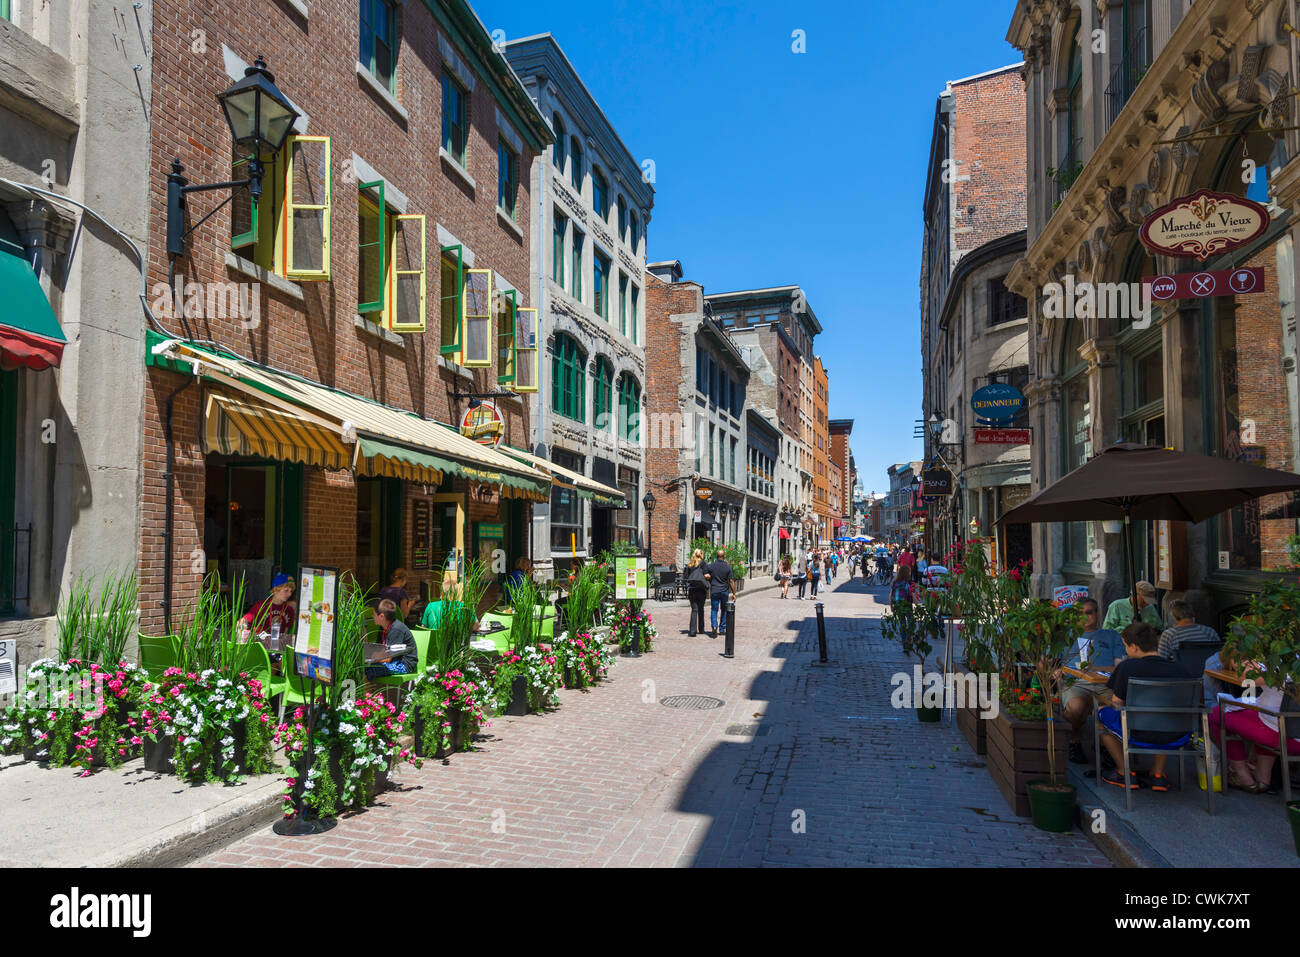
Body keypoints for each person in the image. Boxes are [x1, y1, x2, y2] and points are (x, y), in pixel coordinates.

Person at [1096, 622, 1191, 791]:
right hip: (1177, 733)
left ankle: (1124, 771)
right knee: (1164, 716)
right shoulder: (1180, 668)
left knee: (1101, 716)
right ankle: (1158, 774)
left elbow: (1118, 703)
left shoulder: (1127, 667)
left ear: (1133, 646)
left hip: (1137, 731)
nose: (1125, 650)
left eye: (1125, 646)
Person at [1208, 661, 1300, 793]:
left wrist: (1242, 662)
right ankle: (1263, 775)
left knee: (1217, 714)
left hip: (1282, 736)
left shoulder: (1282, 660)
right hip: (1286, 731)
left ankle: (1242, 775)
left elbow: (1246, 679)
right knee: (1265, 715)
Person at [1058, 598, 1125, 764]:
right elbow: (1049, 662)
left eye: (1088, 612)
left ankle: (1106, 746)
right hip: (1075, 683)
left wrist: (1096, 670)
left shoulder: (1111, 635)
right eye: (1079, 613)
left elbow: (1120, 666)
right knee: (1075, 707)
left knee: (1112, 709)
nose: (1084, 617)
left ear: (1097, 613)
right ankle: (1074, 740)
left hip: (1105, 684)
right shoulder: (1065, 635)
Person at [365, 599, 418, 678]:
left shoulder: (396, 629)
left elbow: (388, 658)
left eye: (374, 614)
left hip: (403, 665)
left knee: (369, 670)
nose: (372, 617)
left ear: (382, 616)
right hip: (391, 662)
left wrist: (374, 658)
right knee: (364, 668)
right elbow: (379, 649)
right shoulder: (382, 628)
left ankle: (368, 690)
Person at [240, 572, 297, 644]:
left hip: (278, 646)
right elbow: (243, 621)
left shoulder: (289, 610)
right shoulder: (261, 605)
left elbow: (285, 634)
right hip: (260, 645)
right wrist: (243, 629)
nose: (289, 594)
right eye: (286, 590)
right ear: (276, 589)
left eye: (291, 591)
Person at [703, 548, 736, 639]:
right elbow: (731, 581)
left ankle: (714, 626)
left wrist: (708, 577)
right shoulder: (727, 567)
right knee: (724, 610)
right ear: (724, 556)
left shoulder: (711, 566)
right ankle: (722, 629)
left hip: (714, 591)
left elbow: (704, 572)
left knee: (714, 610)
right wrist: (734, 593)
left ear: (716, 556)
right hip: (724, 591)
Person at [685, 549, 709, 636]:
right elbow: (706, 575)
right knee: (701, 609)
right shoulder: (703, 564)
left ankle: (692, 631)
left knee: (694, 610)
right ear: (701, 555)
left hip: (692, 589)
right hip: (701, 589)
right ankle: (701, 629)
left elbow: (686, 577)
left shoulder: (690, 565)